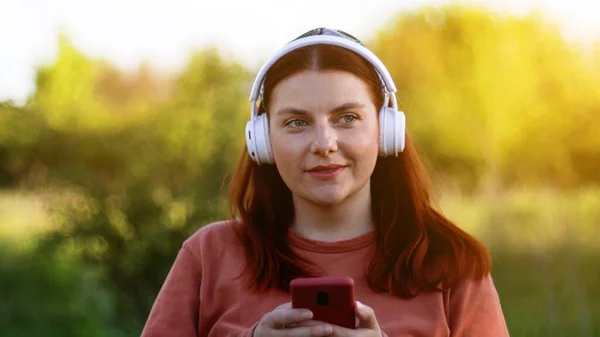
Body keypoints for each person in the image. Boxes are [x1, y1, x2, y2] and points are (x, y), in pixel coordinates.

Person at [140, 27, 509, 337]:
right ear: (262, 141)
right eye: (297, 122)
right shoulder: (207, 256)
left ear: (387, 130)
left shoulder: (452, 265)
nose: (323, 144)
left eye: (347, 118)